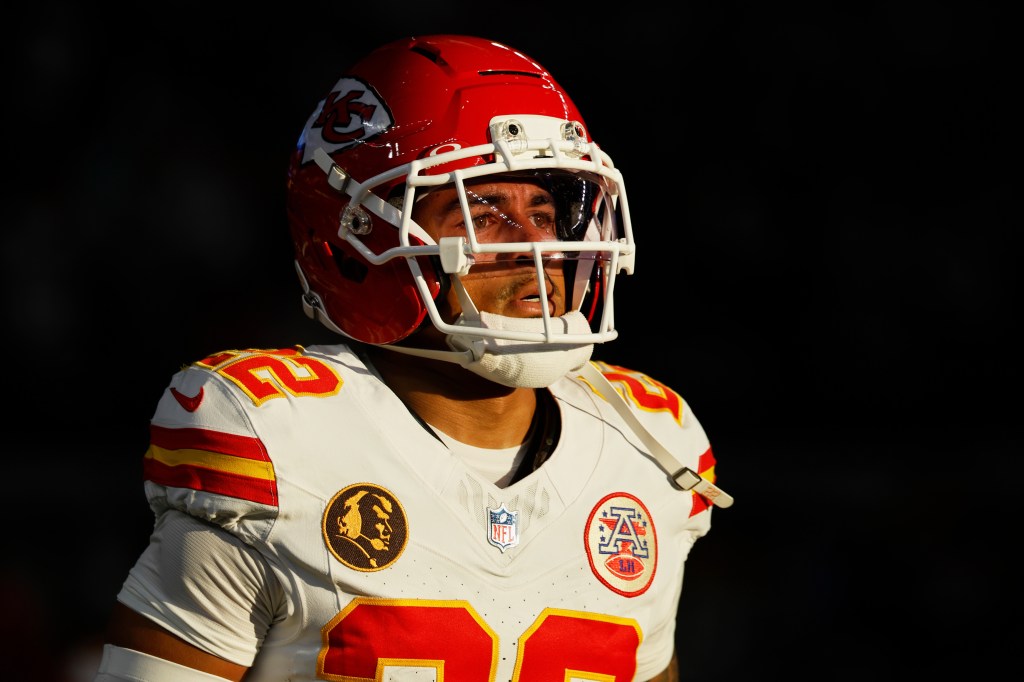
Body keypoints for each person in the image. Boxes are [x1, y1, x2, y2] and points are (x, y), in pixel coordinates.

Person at [93, 34, 733, 682]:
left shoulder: (645, 445)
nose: (533, 243)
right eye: (482, 210)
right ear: (356, 236)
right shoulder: (279, 440)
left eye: (544, 209)